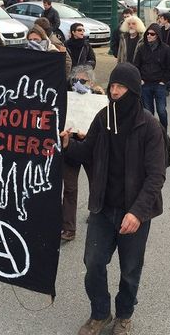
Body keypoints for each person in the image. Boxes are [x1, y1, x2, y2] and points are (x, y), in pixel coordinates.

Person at [60, 63, 166, 335]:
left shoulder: (150, 127)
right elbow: (85, 154)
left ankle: (124, 315)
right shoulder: (103, 118)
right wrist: (68, 144)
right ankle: (100, 313)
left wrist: (137, 213)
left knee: (130, 270)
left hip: (135, 212)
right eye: (112, 87)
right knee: (93, 262)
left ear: (132, 91)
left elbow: (156, 177)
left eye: (120, 87)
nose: (115, 92)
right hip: (104, 208)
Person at [61, 66, 104, 241]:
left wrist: (90, 133)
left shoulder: (99, 99)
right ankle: (69, 228)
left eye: (83, 81)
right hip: (70, 145)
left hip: (90, 146)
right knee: (70, 188)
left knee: (96, 182)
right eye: (75, 81)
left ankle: (97, 214)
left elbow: (105, 127)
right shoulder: (67, 97)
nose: (78, 84)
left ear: (91, 83)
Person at [133, 23, 170, 130]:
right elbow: (136, 65)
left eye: (152, 34)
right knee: (148, 112)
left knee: (161, 111)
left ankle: (164, 132)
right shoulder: (142, 48)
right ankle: (151, 134)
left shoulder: (166, 49)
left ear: (157, 36)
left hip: (159, 84)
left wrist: (164, 81)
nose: (149, 36)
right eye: (147, 34)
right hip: (145, 84)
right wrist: (140, 79)